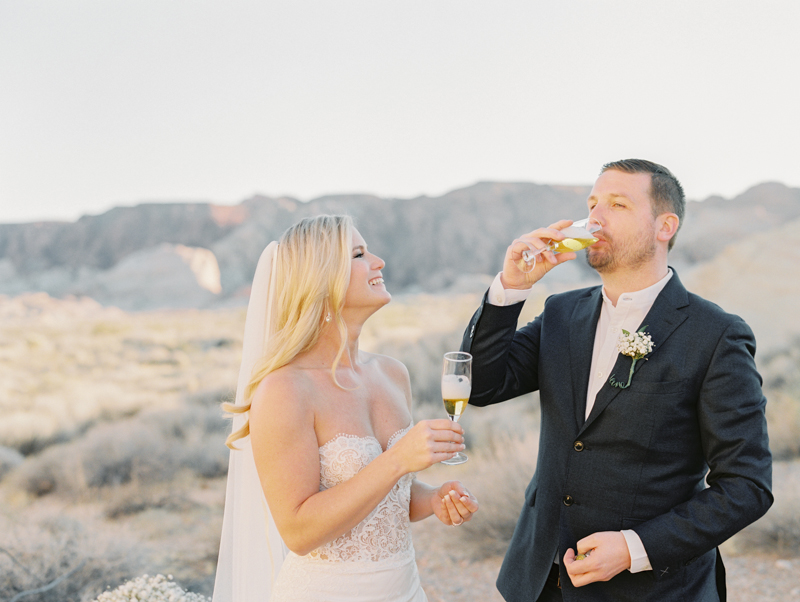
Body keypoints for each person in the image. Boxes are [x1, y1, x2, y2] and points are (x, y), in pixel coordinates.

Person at [461, 159, 772, 602]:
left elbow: (746, 487)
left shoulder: (716, 335)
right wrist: (512, 287)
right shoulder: (560, 314)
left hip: (653, 590)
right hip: (539, 582)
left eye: (618, 204)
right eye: (592, 204)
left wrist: (632, 548)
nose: (596, 218)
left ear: (665, 225)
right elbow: (480, 386)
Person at [212, 215, 478, 602]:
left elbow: (389, 498)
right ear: (319, 279)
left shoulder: (391, 373)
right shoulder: (285, 389)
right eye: (358, 254)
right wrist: (399, 460)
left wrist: (433, 499)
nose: (379, 261)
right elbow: (299, 532)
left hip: (405, 590)